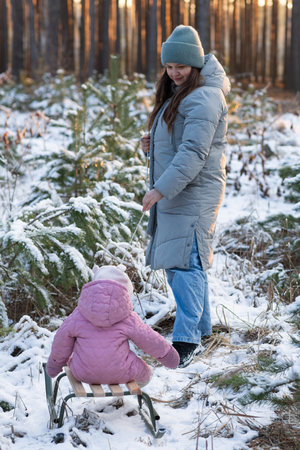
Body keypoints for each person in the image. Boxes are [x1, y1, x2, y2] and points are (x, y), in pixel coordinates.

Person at [141, 25, 230, 368]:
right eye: (169, 66)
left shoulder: (206, 96)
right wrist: (149, 149)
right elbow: (177, 146)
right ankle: (202, 331)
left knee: (186, 263)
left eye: (181, 66)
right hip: (179, 190)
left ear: (194, 63)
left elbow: (193, 153)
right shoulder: (182, 93)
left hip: (194, 191)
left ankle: (186, 340)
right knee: (184, 263)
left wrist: (160, 188)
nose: (174, 72)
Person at [46, 264, 179, 385]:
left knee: (75, 358)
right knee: (144, 369)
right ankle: (144, 378)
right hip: (122, 372)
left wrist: (54, 367)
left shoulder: (78, 314)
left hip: (82, 372)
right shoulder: (128, 317)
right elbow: (149, 339)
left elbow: (61, 341)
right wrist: (169, 357)